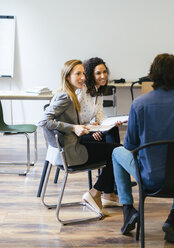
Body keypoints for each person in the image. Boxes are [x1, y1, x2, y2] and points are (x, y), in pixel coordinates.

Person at [112, 53, 174, 243]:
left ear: (152, 74)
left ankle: (128, 209)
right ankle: (172, 217)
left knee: (116, 152)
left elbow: (130, 146)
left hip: (151, 180)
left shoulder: (139, 104)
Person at [38, 59, 120, 217]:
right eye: (78, 74)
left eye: (83, 73)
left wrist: (85, 127)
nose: (83, 77)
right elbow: (43, 120)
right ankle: (96, 193)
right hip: (73, 152)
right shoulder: (66, 97)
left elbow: (68, 121)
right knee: (117, 152)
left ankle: (105, 192)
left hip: (65, 150)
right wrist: (74, 127)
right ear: (68, 77)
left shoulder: (65, 94)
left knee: (114, 146)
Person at [77, 57, 122, 207]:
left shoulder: (98, 92)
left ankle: (108, 193)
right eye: (98, 73)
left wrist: (108, 123)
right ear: (91, 75)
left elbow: (100, 116)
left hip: (90, 131)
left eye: (104, 72)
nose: (103, 76)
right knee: (116, 151)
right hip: (80, 135)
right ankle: (102, 191)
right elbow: (75, 119)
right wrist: (90, 128)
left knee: (113, 130)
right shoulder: (81, 91)